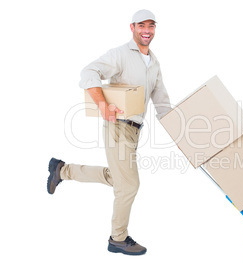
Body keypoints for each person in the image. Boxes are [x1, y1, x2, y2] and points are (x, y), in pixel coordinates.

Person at [46, 9, 171, 256]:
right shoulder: (121, 54)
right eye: (141, 26)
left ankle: (62, 170)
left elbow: (161, 98)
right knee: (129, 185)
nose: (147, 30)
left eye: (151, 26)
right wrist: (102, 104)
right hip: (118, 127)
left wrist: (180, 129)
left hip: (135, 131)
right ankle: (118, 238)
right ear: (132, 28)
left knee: (119, 179)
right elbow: (88, 72)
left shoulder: (154, 62)